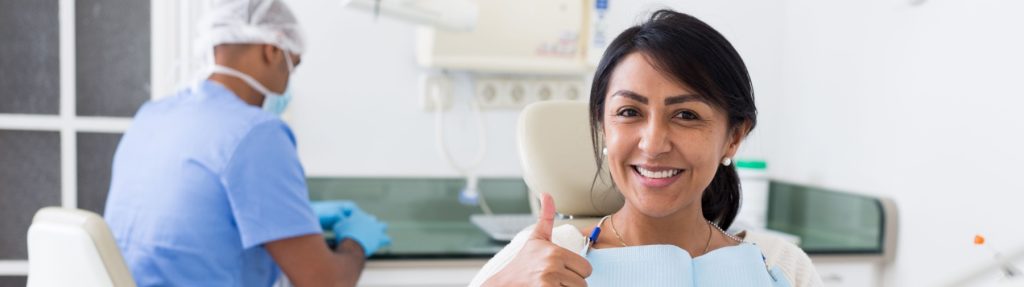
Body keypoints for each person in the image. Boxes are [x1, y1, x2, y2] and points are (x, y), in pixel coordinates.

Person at [470, 10, 822, 287]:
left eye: (686, 115)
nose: (653, 144)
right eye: (629, 112)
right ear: (603, 127)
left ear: (733, 137)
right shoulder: (545, 258)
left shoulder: (778, 266)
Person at [103, 0, 390, 286]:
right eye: (294, 64)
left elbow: (189, 220)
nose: (290, 79)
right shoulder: (258, 134)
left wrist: (296, 219)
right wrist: (356, 242)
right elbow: (324, 282)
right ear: (273, 50)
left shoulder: (153, 116)